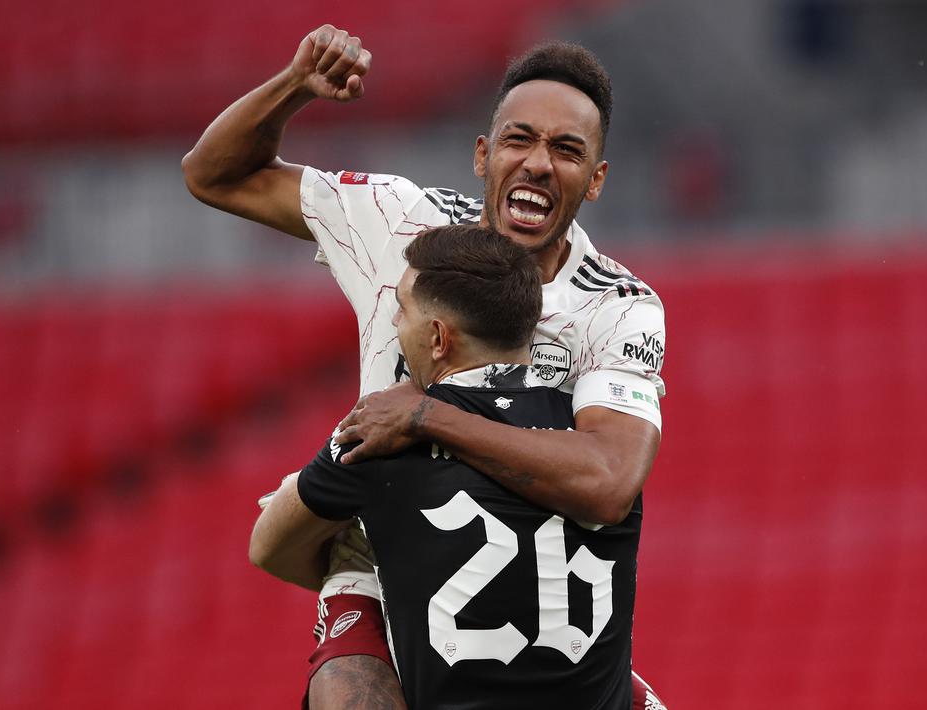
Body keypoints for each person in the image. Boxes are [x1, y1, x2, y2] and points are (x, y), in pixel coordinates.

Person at [182, 24, 667, 710]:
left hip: (529, 574)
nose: (535, 163)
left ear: (594, 181)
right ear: (482, 154)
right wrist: (295, 87)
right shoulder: (400, 220)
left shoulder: (618, 306)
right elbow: (213, 174)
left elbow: (608, 483)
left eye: (565, 150)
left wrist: (422, 415)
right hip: (381, 553)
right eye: (518, 139)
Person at [252, 225, 643, 709]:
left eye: (403, 308)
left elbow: (268, 547)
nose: (396, 320)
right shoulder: (598, 447)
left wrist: (369, 592)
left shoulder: (380, 437)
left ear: (438, 338)